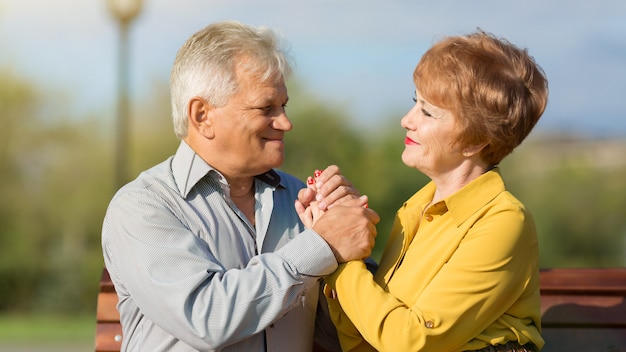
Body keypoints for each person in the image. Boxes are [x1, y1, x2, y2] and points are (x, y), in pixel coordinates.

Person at [101, 20, 379, 351]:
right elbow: (207, 318)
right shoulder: (144, 206)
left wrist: (348, 244)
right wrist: (323, 246)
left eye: (284, 106)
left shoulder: (301, 200)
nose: (286, 122)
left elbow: (345, 338)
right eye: (267, 108)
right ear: (202, 115)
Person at [299, 30, 549, 351]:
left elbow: (411, 341)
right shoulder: (416, 207)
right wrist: (337, 234)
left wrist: (342, 256)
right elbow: (364, 339)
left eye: (427, 112)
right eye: (414, 102)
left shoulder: (503, 221)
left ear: (475, 141)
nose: (407, 120)